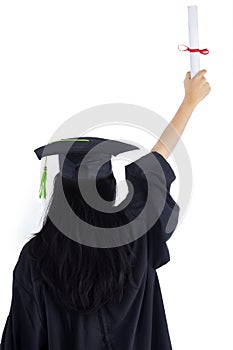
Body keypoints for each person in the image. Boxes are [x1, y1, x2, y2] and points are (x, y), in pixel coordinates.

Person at [0, 70, 210, 350]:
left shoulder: (36, 259)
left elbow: (24, 339)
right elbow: (153, 166)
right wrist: (189, 102)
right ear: (110, 194)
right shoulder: (135, 237)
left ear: (60, 194)